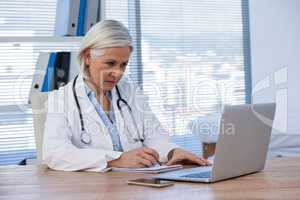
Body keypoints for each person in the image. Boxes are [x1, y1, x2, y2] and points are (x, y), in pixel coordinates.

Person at [43, 20, 210, 172]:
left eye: (123, 65)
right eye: (110, 63)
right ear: (88, 57)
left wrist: (173, 151)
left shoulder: (131, 93)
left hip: (137, 185)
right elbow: (55, 153)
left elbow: (155, 137)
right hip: (92, 190)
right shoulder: (61, 100)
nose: (118, 73)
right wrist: (116, 160)